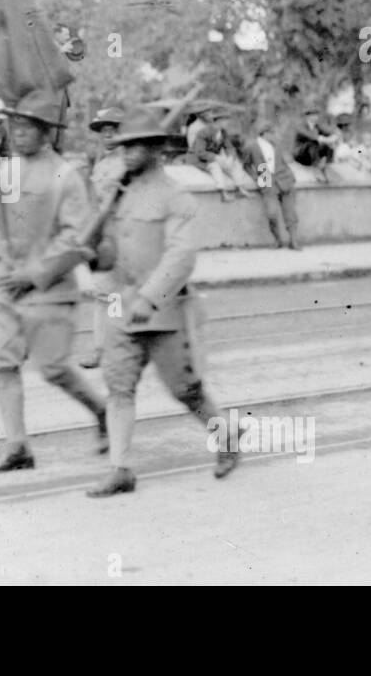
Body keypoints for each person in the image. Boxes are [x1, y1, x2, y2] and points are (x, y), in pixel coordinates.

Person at [83, 107, 240, 496]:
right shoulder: (118, 193)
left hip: (164, 312)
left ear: (155, 149)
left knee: (185, 388)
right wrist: (95, 247)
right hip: (122, 305)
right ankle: (120, 468)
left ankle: (226, 438)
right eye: (123, 146)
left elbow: (181, 256)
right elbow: (108, 253)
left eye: (136, 146)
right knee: (119, 387)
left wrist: (151, 298)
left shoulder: (176, 197)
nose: (128, 153)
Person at [0, 89, 108, 473]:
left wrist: (34, 275)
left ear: (47, 132)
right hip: (7, 284)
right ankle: (18, 446)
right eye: (14, 124)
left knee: (53, 368)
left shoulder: (66, 176)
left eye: (27, 126)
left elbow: (77, 238)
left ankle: (101, 410)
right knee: (3, 363)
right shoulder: (7, 169)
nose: (18, 132)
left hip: (48, 290)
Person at [79, 106, 126, 369]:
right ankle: (103, 347)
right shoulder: (101, 162)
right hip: (101, 236)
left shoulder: (129, 163)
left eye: (113, 130)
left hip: (123, 234)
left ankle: (112, 347)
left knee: (115, 296)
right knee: (103, 294)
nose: (108, 136)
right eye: (104, 131)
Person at [238, 119, 299, 250]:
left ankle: (293, 241)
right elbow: (246, 165)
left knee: (290, 212)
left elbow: (284, 161)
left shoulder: (277, 145)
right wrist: (257, 177)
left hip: (284, 179)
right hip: (266, 178)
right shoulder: (252, 146)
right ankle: (278, 240)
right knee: (271, 213)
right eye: (272, 133)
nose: (275, 135)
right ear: (265, 133)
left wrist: (290, 175)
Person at [187, 109, 250, 201]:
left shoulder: (223, 132)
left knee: (233, 163)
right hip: (197, 159)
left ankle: (239, 188)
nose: (227, 122)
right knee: (215, 166)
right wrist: (216, 157)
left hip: (211, 158)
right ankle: (223, 193)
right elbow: (200, 152)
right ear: (218, 121)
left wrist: (230, 157)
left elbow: (229, 147)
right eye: (225, 120)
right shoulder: (204, 132)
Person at [293, 108, 338, 183]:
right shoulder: (301, 126)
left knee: (327, 146)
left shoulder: (317, 126)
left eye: (316, 115)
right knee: (313, 144)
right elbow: (311, 136)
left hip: (312, 154)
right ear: (307, 116)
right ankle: (316, 169)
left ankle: (328, 165)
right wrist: (325, 139)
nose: (315, 117)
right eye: (312, 115)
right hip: (301, 154)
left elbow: (328, 132)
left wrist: (334, 136)